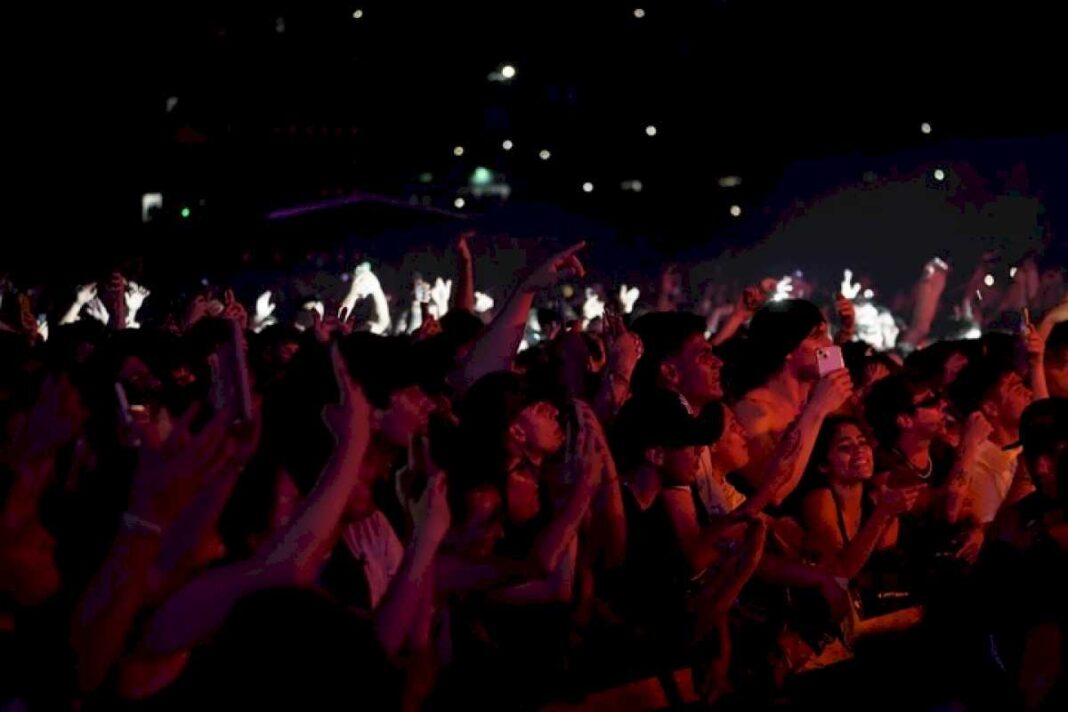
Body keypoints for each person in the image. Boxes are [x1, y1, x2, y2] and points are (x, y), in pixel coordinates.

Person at [799, 416, 924, 613]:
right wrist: (882, 514)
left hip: (865, 600)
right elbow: (841, 575)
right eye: (845, 447)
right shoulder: (819, 499)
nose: (860, 451)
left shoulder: (875, 494)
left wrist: (891, 514)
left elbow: (885, 555)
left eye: (863, 442)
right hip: (820, 607)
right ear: (823, 466)